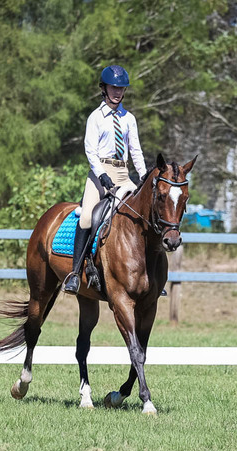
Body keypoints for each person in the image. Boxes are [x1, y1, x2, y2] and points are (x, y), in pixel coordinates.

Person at [63, 65, 147, 294]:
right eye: (113, 87)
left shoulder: (129, 119)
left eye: (121, 88)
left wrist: (143, 176)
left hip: (123, 172)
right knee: (87, 216)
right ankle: (74, 273)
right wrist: (100, 174)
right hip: (99, 173)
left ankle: (148, 274)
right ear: (104, 88)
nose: (118, 92)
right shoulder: (96, 117)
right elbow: (90, 150)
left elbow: (136, 150)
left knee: (142, 214)